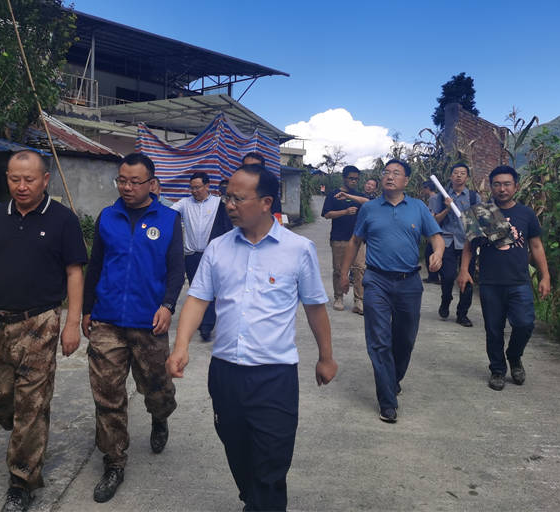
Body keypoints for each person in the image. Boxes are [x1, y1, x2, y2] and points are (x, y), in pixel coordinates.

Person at [166, 164, 337, 512]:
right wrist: (180, 346)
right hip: (225, 372)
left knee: (273, 459)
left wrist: (326, 356)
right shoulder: (218, 248)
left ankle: (262, 503)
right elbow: (198, 299)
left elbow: (315, 307)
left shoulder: (298, 249)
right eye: (227, 197)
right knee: (236, 447)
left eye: (238, 199)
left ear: (265, 202)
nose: (229, 205)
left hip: (274, 375)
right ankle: (254, 498)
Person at [0, 150, 87, 512]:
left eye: (29, 179)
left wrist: (72, 323)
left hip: (39, 323)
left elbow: (75, 272)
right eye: (14, 179)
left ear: (45, 180)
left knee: (32, 406)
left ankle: (21, 481)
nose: (21, 186)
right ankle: (27, 435)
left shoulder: (63, 220)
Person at [82, 152, 184, 503]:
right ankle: (114, 462)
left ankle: (159, 417)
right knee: (107, 394)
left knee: (157, 388)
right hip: (107, 319)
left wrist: (168, 305)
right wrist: (86, 309)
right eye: (121, 180)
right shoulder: (107, 217)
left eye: (134, 182)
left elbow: (176, 269)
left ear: (152, 184)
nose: (126, 187)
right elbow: (95, 265)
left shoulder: (169, 219)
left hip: (149, 322)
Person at [340, 159, 444, 423]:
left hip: (409, 282)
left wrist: (438, 254)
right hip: (377, 280)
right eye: (386, 172)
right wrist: (343, 274)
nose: (389, 176)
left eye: (396, 173)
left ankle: (393, 378)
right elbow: (355, 241)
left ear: (406, 181)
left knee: (405, 339)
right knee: (379, 340)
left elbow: (436, 237)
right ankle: (387, 401)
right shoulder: (369, 208)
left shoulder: (418, 208)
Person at [458, 165, 550, 391]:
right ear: (491, 187)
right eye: (497, 184)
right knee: (493, 329)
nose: (502, 189)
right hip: (490, 282)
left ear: (516, 186)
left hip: (519, 281)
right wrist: (464, 270)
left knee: (525, 324)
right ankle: (497, 370)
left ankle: (514, 356)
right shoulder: (480, 212)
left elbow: (536, 246)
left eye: (507, 184)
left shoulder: (526, 214)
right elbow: (469, 245)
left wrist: (545, 276)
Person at [172, 171, 221, 341]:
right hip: (192, 256)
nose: (194, 191)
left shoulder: (218, 203)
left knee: (211, 290)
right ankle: (203, 322)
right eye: (191, 188)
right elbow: (169, 213)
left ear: (207, 186)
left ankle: (206, 325)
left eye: (198, 187)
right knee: (197, 291)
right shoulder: (185, 204)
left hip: (212, 255)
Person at [428, 163, 479, 326]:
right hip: (447, 241)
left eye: (462, 173)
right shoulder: (440, 197)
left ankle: (462, 314)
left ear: (467, 177)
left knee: (467, 278)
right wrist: (447, 209)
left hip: (467, 242)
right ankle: (446, 299)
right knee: (448, 276)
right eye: (455, 173)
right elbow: (434, 221)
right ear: (450, 176)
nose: (458, 176)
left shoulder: (473, 197)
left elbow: (478, 221)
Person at [321, 165, 370, 314]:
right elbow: (326, 214)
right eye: (351, 178)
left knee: (360, 269)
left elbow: (369, 203)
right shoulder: (333, 195)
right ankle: (339, 298)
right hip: (339, 238)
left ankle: (359, 300)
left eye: (356, 179)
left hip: (357, 239)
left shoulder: (359, 196)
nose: (354, 181)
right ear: (344, 178)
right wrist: (345, 212)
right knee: (339, 270)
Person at [421, 180, 441, 284]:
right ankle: (433, 276)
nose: (423, 191)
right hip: (436, 228)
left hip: (433, 229)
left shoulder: (433, 198)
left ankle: (433, 276)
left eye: (424, 188)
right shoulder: (435, 197)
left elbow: (432, 214)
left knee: (429, 252)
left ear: (428, 188)